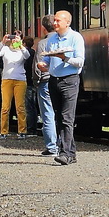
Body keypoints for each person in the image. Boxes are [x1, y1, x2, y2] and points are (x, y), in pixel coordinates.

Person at [43, 9, 86, 165]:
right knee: (59, 117)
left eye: (58, 21)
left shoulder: (76, 38)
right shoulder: (52, 39)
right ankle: (71, 153)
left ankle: (65, 153)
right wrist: (44, 65)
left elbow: (80, 62)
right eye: (54, 20)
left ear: (67, 22)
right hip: (53, 80)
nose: (54, 23)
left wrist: (65, 58)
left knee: (67, 118)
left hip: (70, 80)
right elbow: (48, 60)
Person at [33, 15, 58, 156]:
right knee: (60, 113)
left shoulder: (43, 43)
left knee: (47, 113)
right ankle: (62, 145)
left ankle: (52, 147)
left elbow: (38, 65)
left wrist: (36, 81)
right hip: (61, 80)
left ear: (43, 28)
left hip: (45, 80)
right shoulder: (62, 39)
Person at [0, 32, 29, 135]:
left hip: (20, 80)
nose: (14, 40)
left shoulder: (22, 51)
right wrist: (3, 42)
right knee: (5, 107)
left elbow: (27, 55)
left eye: (17, 38)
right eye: (13, 38)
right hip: (7, 80)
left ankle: (22, 131)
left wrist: (20, 45)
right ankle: (4, 131)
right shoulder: (5, 49)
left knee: (20, 106)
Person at [23, 35, 39, 135]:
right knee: (34, 106)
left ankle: (31, 128)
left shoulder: (24, 54)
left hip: (27, 82)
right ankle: (34, 126)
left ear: (24, 43)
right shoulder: (34, 53)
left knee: (29, 107)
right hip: (34, 81)